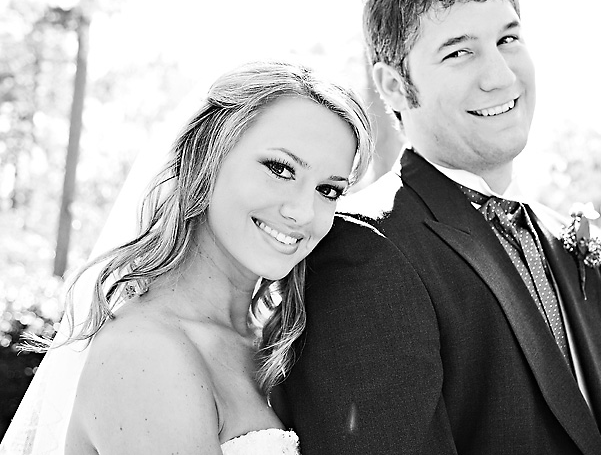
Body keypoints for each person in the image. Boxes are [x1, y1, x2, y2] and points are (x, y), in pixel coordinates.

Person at [278, 0, 601, 454]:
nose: (500, 75)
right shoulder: (363, 250)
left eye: (508, 39)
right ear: (394, 86)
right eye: (458, 52)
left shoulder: (566, 237)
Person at [0, 60, 373, 455]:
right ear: (204, 159)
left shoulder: (268, 341)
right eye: (280, 168)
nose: (303, 212)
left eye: (328, 190)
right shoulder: (145, 354)